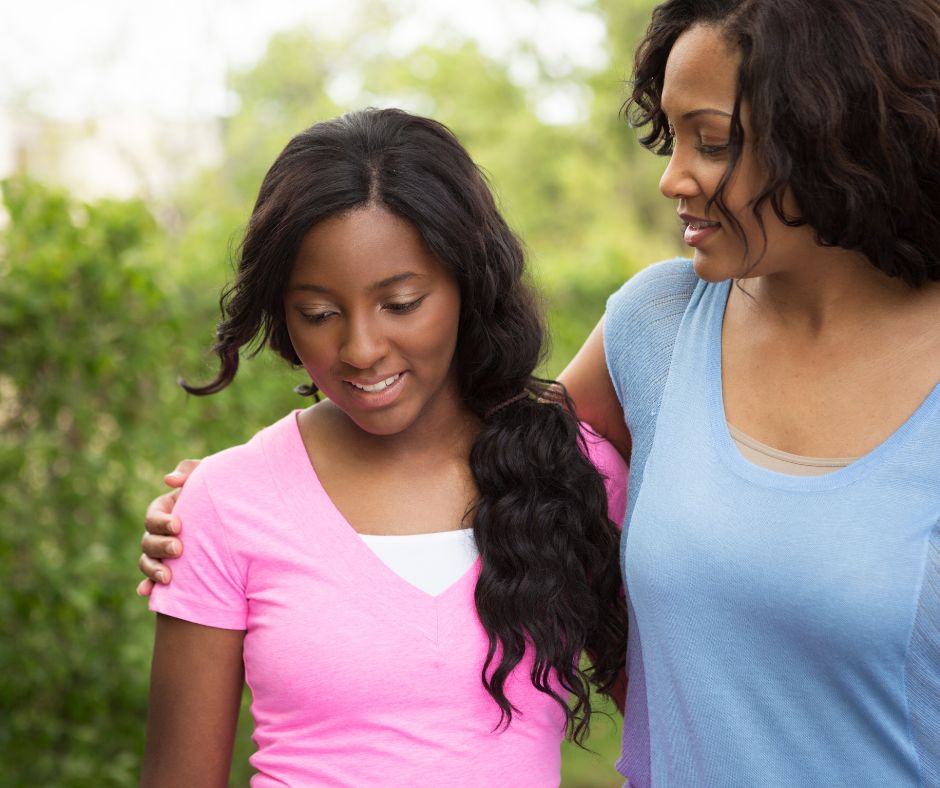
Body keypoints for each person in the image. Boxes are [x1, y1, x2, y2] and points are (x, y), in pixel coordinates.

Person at [142, 0, 940, 784]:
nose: (671, 178)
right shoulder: (657, 325)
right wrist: (224, 501)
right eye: (673, 135)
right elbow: (508, 445)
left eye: (715, 141)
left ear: (833, 131)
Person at [139, 108, 628, 787]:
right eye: (318, 313)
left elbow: (682, 722)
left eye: (400, 303)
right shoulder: (225, 502)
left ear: (467, 283)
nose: (361, 350)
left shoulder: (571, 473)